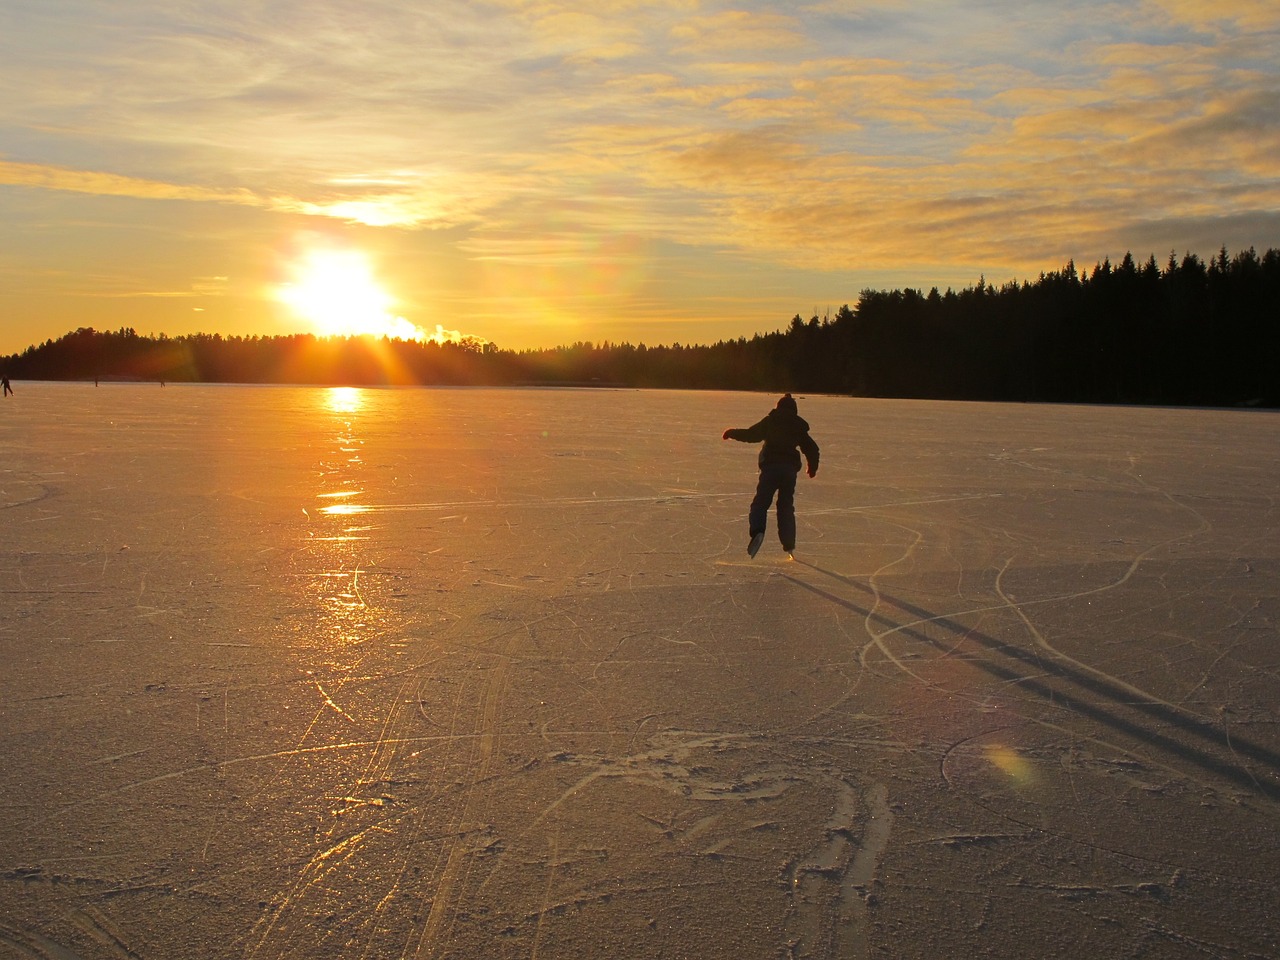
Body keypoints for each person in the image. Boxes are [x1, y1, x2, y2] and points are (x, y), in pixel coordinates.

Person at [722, 393, 820, 557]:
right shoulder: (797, 425)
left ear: (778, 407)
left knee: (760, 503)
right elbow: (811, 448)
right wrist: (813, 466)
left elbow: (752, 435)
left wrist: (732, 433)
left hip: (771, 468)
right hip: (789, 471)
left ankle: (758, 531)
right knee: (785, 506)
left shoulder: (771, 421)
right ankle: (789, 543)